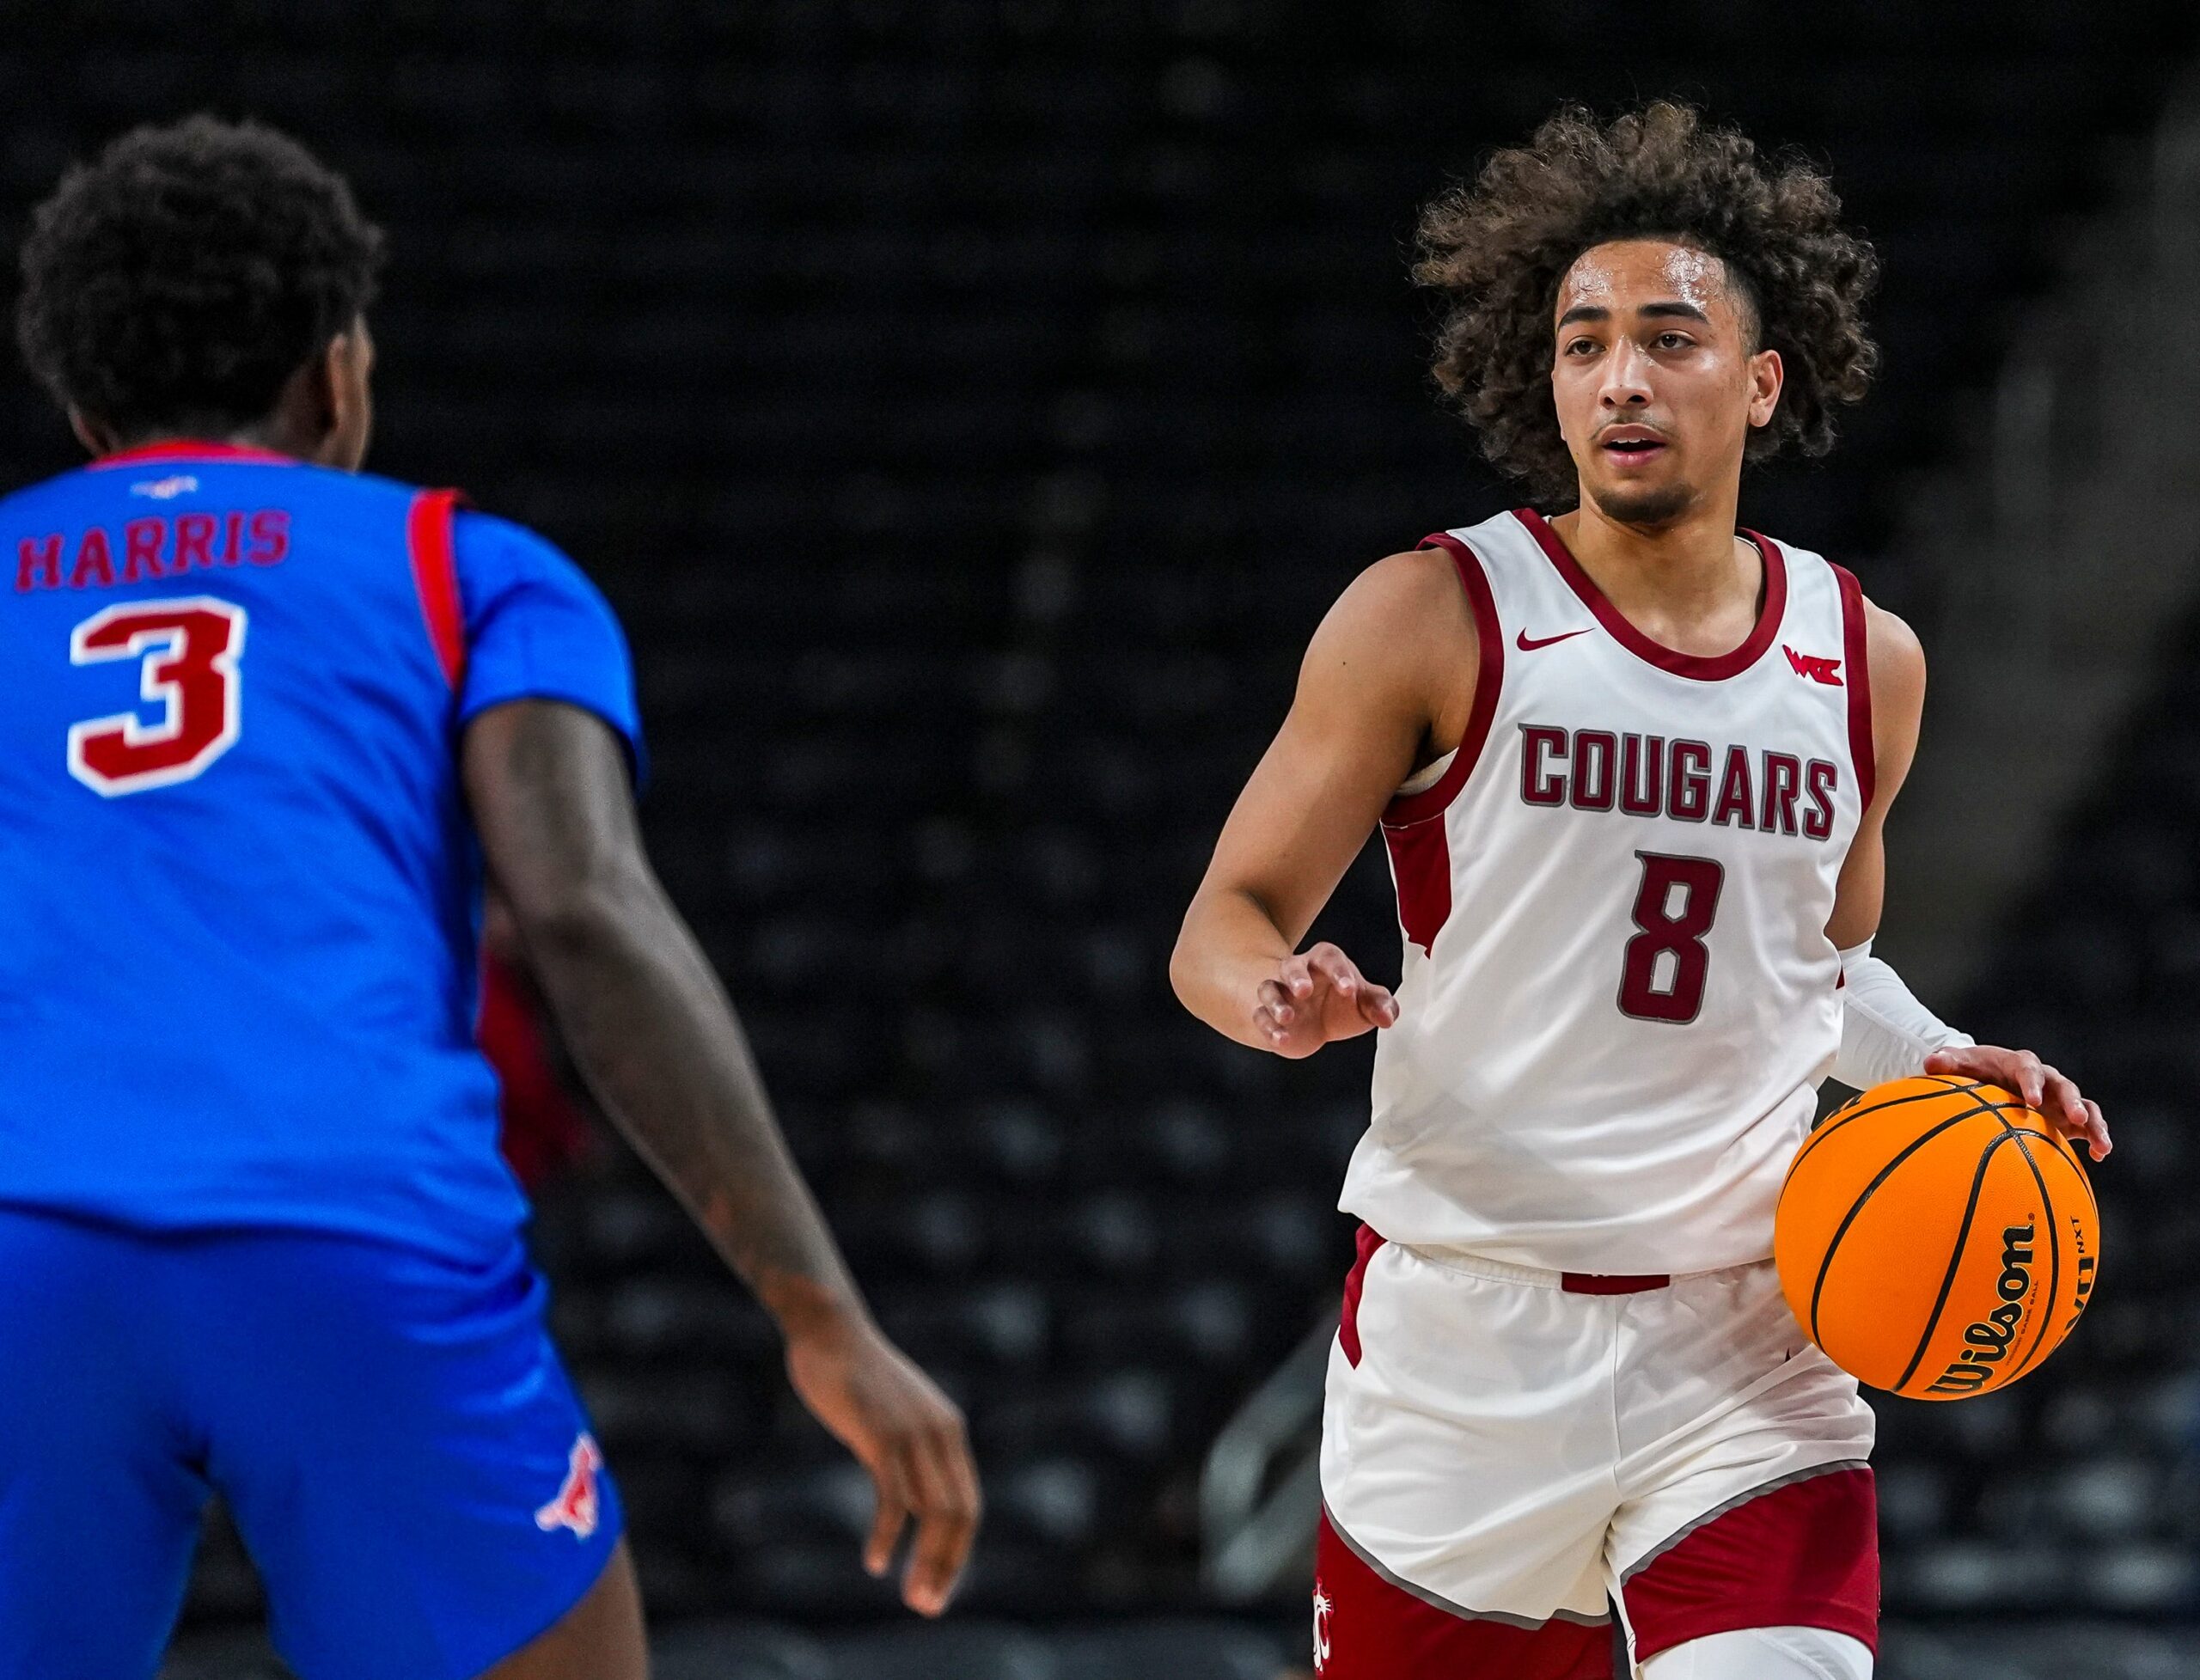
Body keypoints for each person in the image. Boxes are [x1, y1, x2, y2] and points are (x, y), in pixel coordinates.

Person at [0, 116, 978, 1680]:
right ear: (336, 374)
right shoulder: (472, 569)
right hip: (350, 1229)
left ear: (83, 401)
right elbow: (586, 915)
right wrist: (822, 1317)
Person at [1170, 102, 2109, 1680]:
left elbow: (1821, 971)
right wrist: (1273, 994)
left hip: (1745, 1344)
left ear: (1760, 381)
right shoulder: (1436, 614)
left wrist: (1937, 1052)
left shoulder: (1864, 659)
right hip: (1465, 1341)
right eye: (1582, 339)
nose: (1618, 374)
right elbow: (1222, 920)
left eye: (1668, 338)